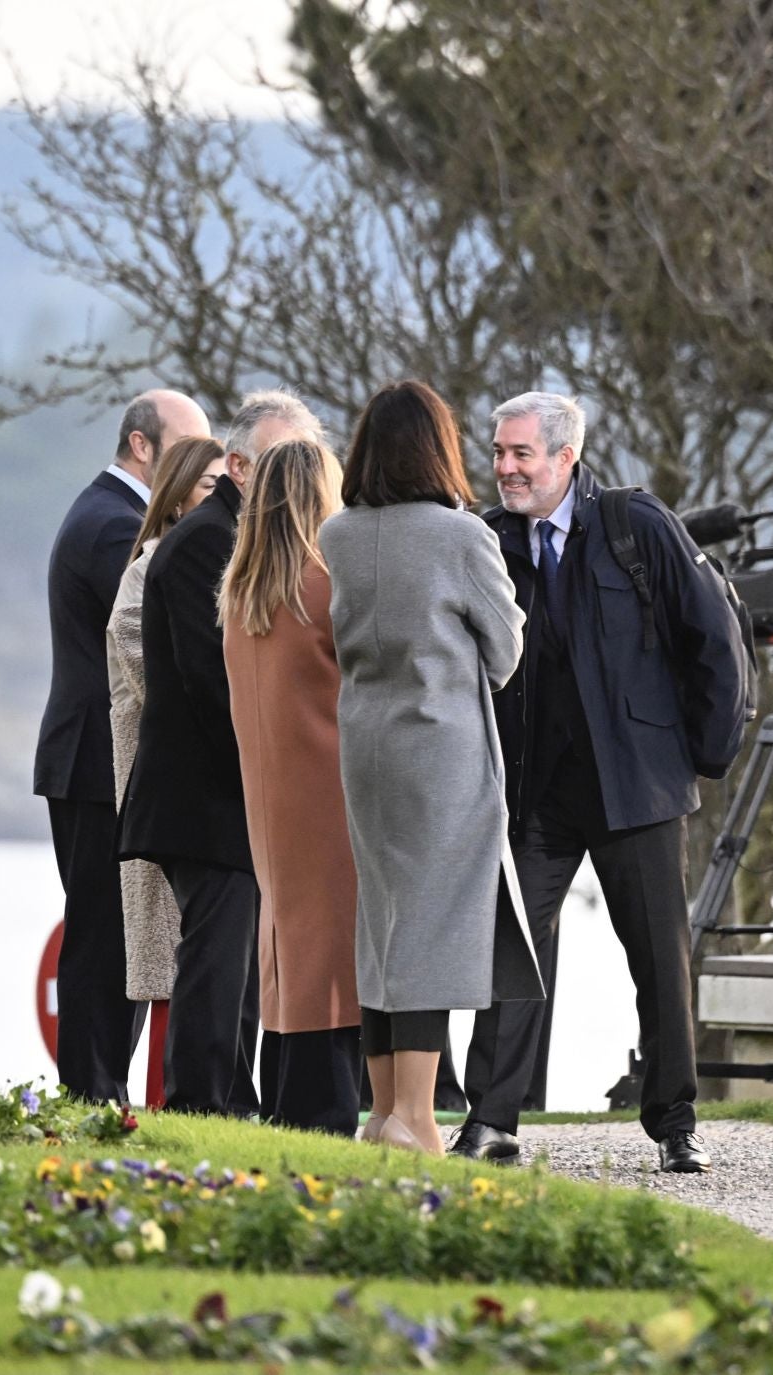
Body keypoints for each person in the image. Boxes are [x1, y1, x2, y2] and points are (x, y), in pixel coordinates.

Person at [451, 391, 751, 1174]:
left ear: (565, 457)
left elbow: (714, 638)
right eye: (499, 452)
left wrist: (704, 753)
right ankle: (490, 1120)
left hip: (636, 786)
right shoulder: (489, 539)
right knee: (511, 955)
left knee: (659, 961)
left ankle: (676, 1122)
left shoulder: (635, 525)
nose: (505, 467)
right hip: (535, 793)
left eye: (521, 453)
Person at [320, 379, 541, 1155]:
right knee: (430, 930)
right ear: (436, 449)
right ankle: (416, 1116)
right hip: (441, 754)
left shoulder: (338, 535)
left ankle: (383, 1111)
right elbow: (506, 650)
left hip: (365, 747)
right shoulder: (462, 536)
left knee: (382, 924)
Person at [117, 391, 322, 1115]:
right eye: (279, 462)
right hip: (204, 796)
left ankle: (229, 1101)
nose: (294, 480)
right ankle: (199, 1103)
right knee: (216, 959)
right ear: (237, 466)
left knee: (237, 964)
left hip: (226, 793)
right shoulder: (208, 542)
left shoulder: (246, 539)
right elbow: (216, 680)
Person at [36, 388, 209, 1101]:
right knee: (107, 937)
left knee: (117, 934)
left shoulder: (106, 514)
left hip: (93, 760)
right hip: (95, 765)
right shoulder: (114, 527)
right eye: (188, 448)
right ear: (142, 445)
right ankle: (92, 1092)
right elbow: (152, 639)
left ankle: (99, 1090)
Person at [220, 436, 362, 1136]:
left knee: (287, 950)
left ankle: (286, 1097)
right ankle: (325, 1108)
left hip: (270, 797)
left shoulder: (241, 593)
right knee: (334, 958)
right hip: (330, 792)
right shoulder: (324, 588)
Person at [106, 436, 228, 1010]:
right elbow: (158, 678)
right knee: (179, 965)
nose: (222, 497)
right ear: (177, 495)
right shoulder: (153, 569)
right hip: (170, 788)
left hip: (193, 793)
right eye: (209, 485)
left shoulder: (211, 562)